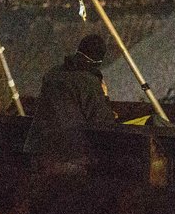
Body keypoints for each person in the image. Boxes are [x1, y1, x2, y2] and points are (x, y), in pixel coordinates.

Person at [25, 33, 117, 173]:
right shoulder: (88, 81)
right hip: (69, 155)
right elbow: (104, 122)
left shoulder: (53, 73)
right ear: (98, 61)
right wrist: (104, 96)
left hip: (38, 151)